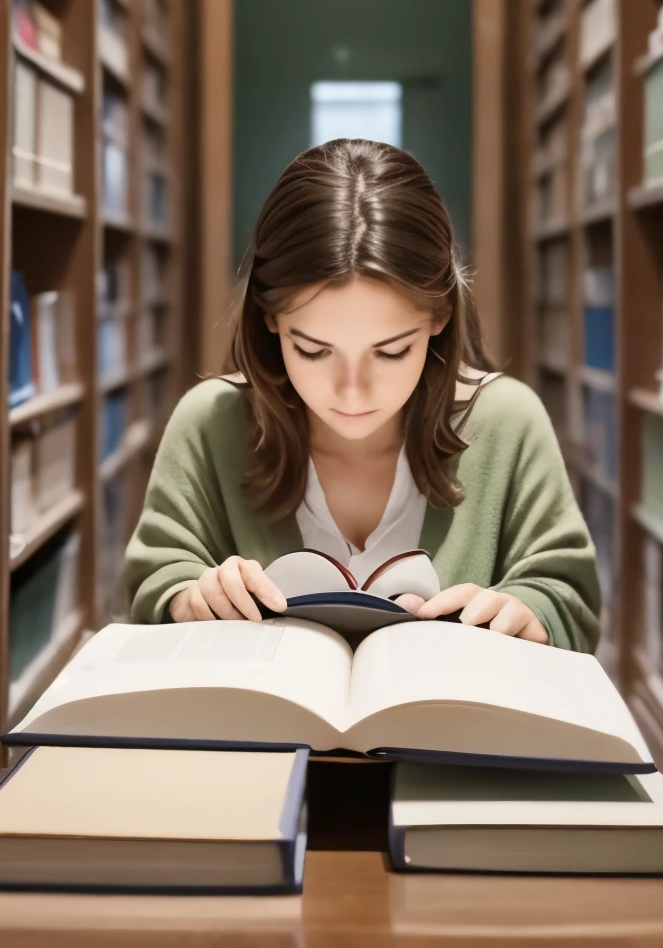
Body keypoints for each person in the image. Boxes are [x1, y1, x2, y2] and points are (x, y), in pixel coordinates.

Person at [125, 139, 600, 650]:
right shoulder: (211, 421)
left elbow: (568, 596)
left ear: (440, 317)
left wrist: (531, 611)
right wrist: (189, 597)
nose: (352, 392)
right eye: (312, 351)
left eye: (392, 351)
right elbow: (154, 581)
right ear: (270, 319)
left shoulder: (509, 422)